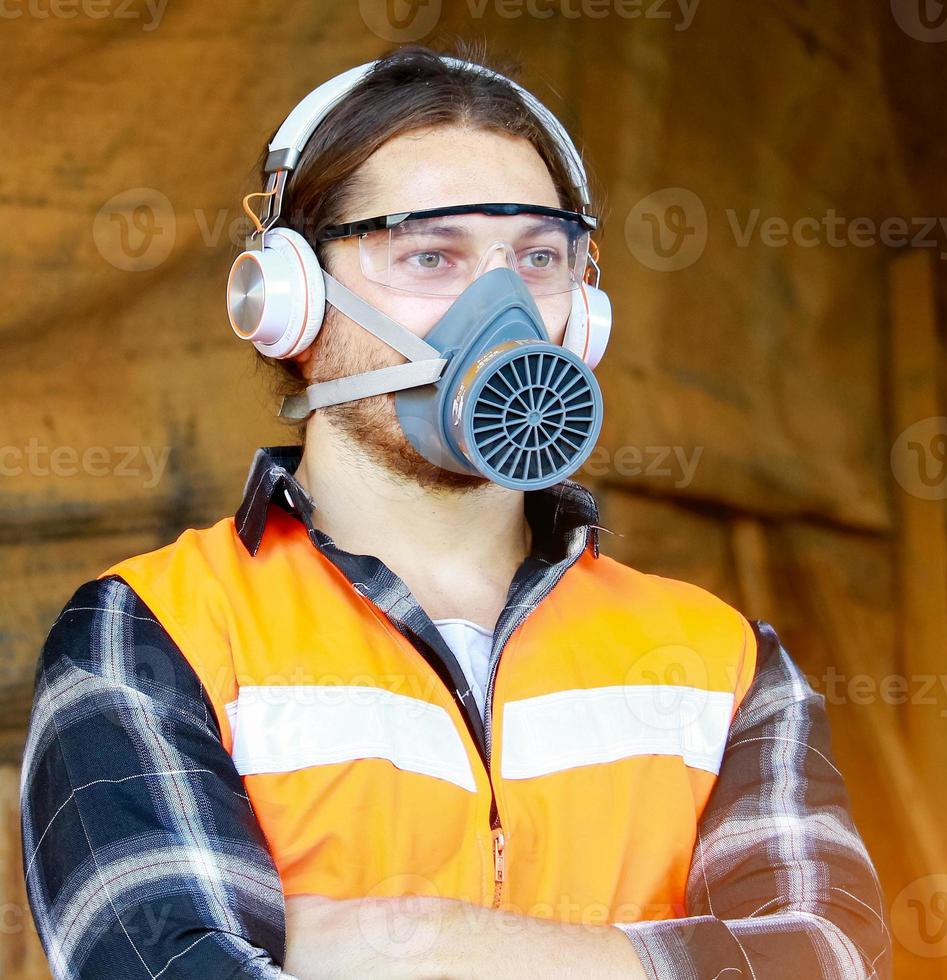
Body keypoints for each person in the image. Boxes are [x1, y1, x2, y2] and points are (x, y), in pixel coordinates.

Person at [20, 44, 890, 980]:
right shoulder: (152, 640)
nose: (501, 308)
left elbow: (828, 957)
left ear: (584, 311)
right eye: (431, 254)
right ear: (290, 301)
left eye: (539, 258)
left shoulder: (720, 663)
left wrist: (424, 944)